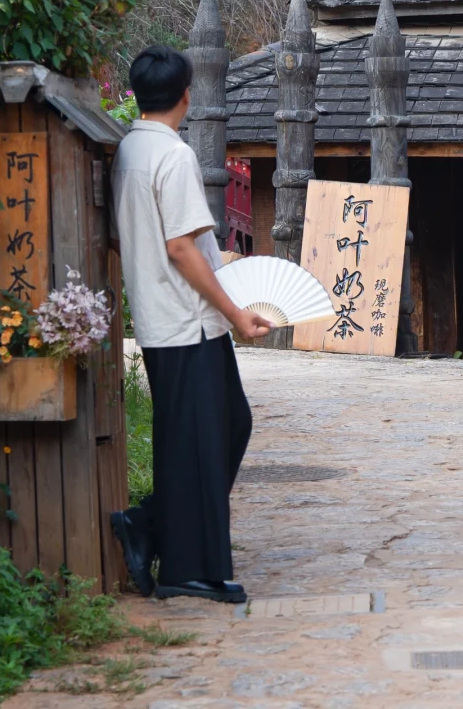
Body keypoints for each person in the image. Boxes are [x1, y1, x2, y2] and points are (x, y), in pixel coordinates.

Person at [109, 45, 270, 604]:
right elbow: (180, 246)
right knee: (207, 438)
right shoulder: (172, 156)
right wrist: (234, 312)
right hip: (189, 321)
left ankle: (154, 527)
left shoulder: (129, 149)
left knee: (213, 431)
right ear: (186, 95)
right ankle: (187, 569)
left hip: (162, 318)